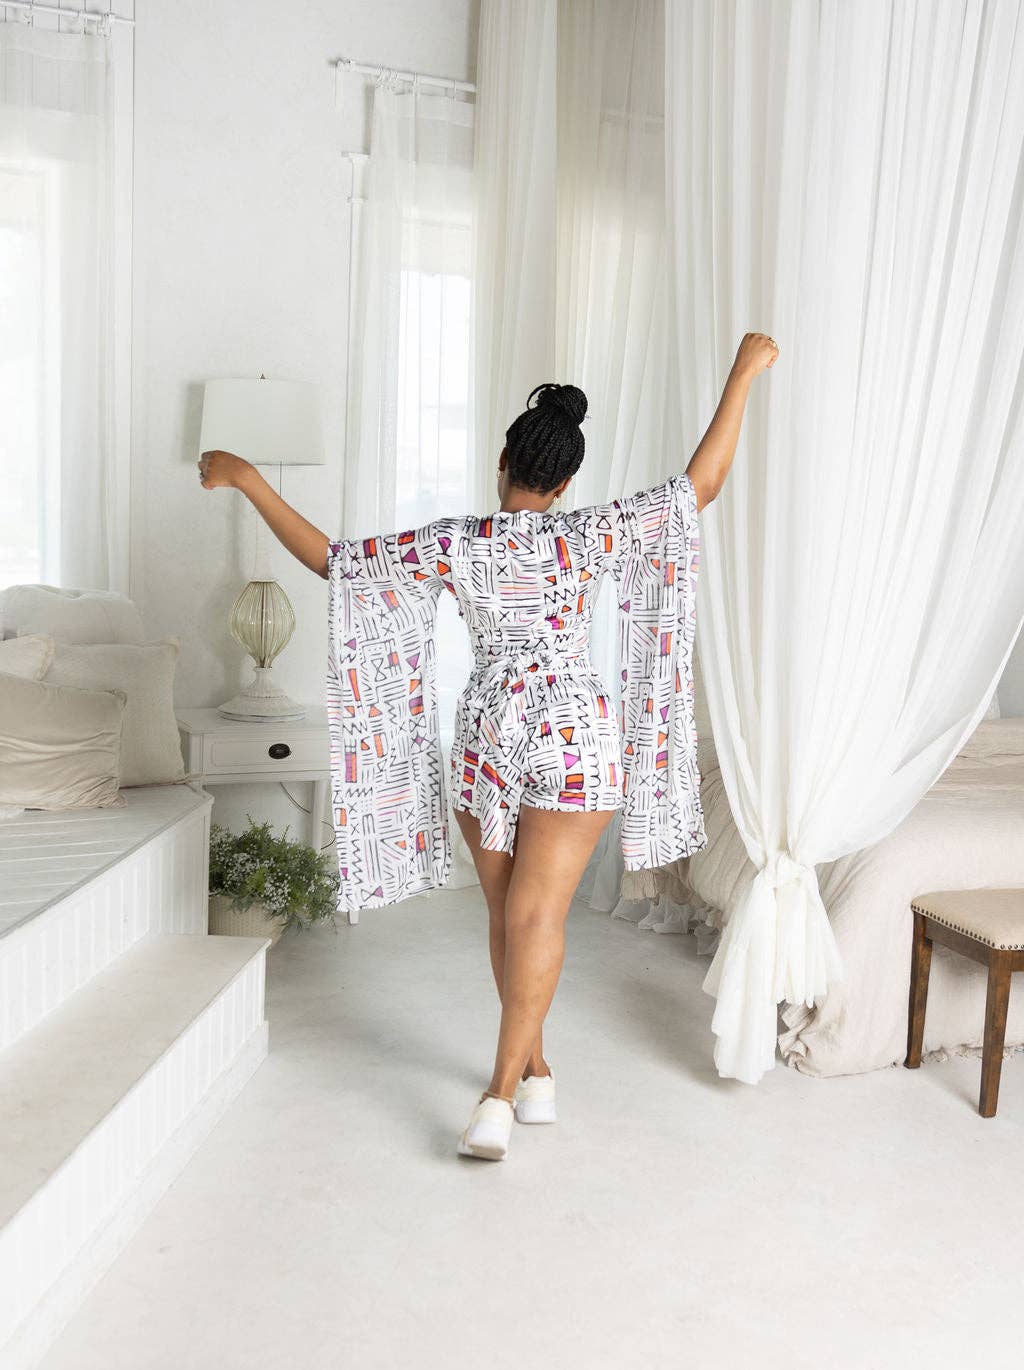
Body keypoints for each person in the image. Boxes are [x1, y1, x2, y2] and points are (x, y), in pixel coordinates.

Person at [198, 331, 777, 1160]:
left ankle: (501, 1093)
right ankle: (533, 1072)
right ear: (567, 482)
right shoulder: (591, 532)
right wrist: (743, 374)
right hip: (575, 738)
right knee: (531, 918)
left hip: (487, 739)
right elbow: (700, 486)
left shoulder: (457, 541)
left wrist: (250, 480)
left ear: (501, 460)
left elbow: (337, 563)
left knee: (512, 916)